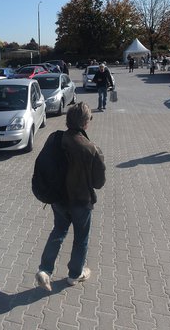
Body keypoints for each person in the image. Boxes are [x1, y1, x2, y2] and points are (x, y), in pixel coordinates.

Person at [35, 102, 106, 291]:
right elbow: (99, 183)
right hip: (80, 202)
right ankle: (75, 274)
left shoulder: (56, 138)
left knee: (58, 231)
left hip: (58, 199)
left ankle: (45, 270)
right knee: (81, 238)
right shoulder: (91, 149)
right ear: (85, 123)